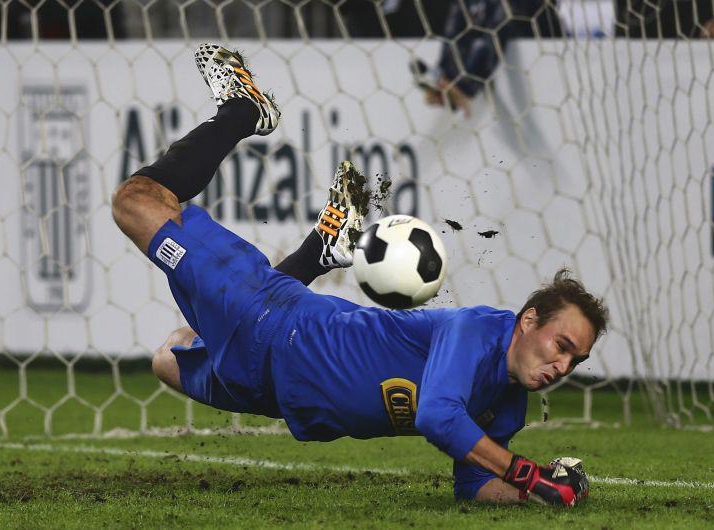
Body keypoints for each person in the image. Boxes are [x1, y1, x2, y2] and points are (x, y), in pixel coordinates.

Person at [111, 43, 607, 506]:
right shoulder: (474, 332)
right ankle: (243, 112)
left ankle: (319, 252)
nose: (562, 366)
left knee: (167, 358)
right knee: (135, 202)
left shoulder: (507, 407)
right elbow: (437, 416)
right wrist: (528, 473)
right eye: (562, 345)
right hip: (274, 326)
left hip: (278, 396)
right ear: (529, 320)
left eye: (576, 360)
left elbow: (475, 482)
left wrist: (542, 493)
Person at [419, 0, 562, 117]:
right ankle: (445, 75)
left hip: (532, 22)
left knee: (501, 13)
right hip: (493, 17)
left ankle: (464, 87)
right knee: (462, 8)